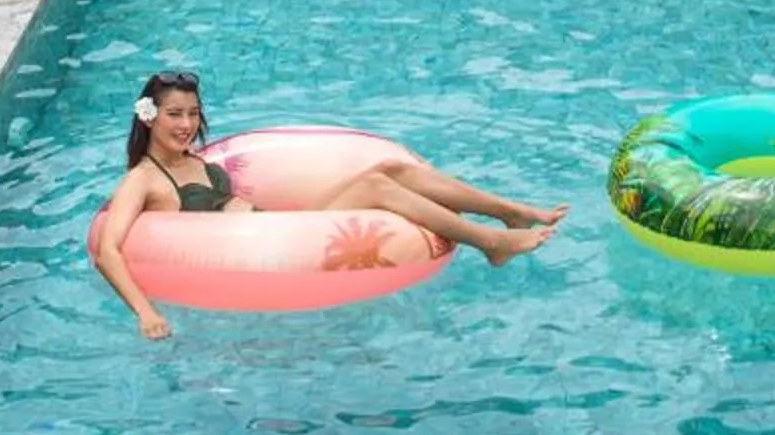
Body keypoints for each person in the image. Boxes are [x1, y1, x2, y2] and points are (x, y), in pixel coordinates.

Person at [89, 70, 565, 339]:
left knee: (391, 169)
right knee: (377, 186)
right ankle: (490, 242)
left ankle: (508, 211)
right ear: (149, 118)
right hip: (272, 248)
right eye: (174, 114)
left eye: (193, 113)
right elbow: (109, 251)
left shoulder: (197, 159)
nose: (186, 124)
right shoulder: (144, 179)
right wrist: (145, 313)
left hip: (283, 229)